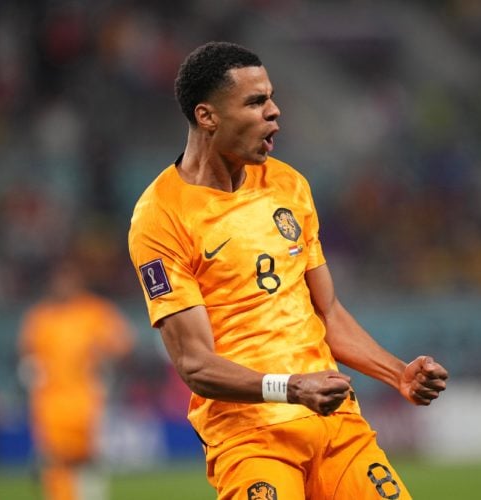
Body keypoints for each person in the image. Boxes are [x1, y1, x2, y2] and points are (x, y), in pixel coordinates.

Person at [128, 41, 448, 499]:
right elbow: (195, 365)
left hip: (336, 427)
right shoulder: (161, 216)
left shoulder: (288, 185)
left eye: (271, 97)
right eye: (256, 102)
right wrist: (291, 388)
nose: (274, 112)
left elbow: (329, 313)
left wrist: (397, 374)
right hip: (252, 438)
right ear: (207, 116)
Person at [18, 258, 136, 500]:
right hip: (51, 402)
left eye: (69, 279)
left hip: (87, 399)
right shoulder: (41, 318)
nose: (64, 285)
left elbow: (124, 343)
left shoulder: (94, 311)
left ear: (78, 281)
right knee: (54, 458)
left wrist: (104, 351)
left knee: (88, 458)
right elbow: (26, 355)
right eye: (59, 280)